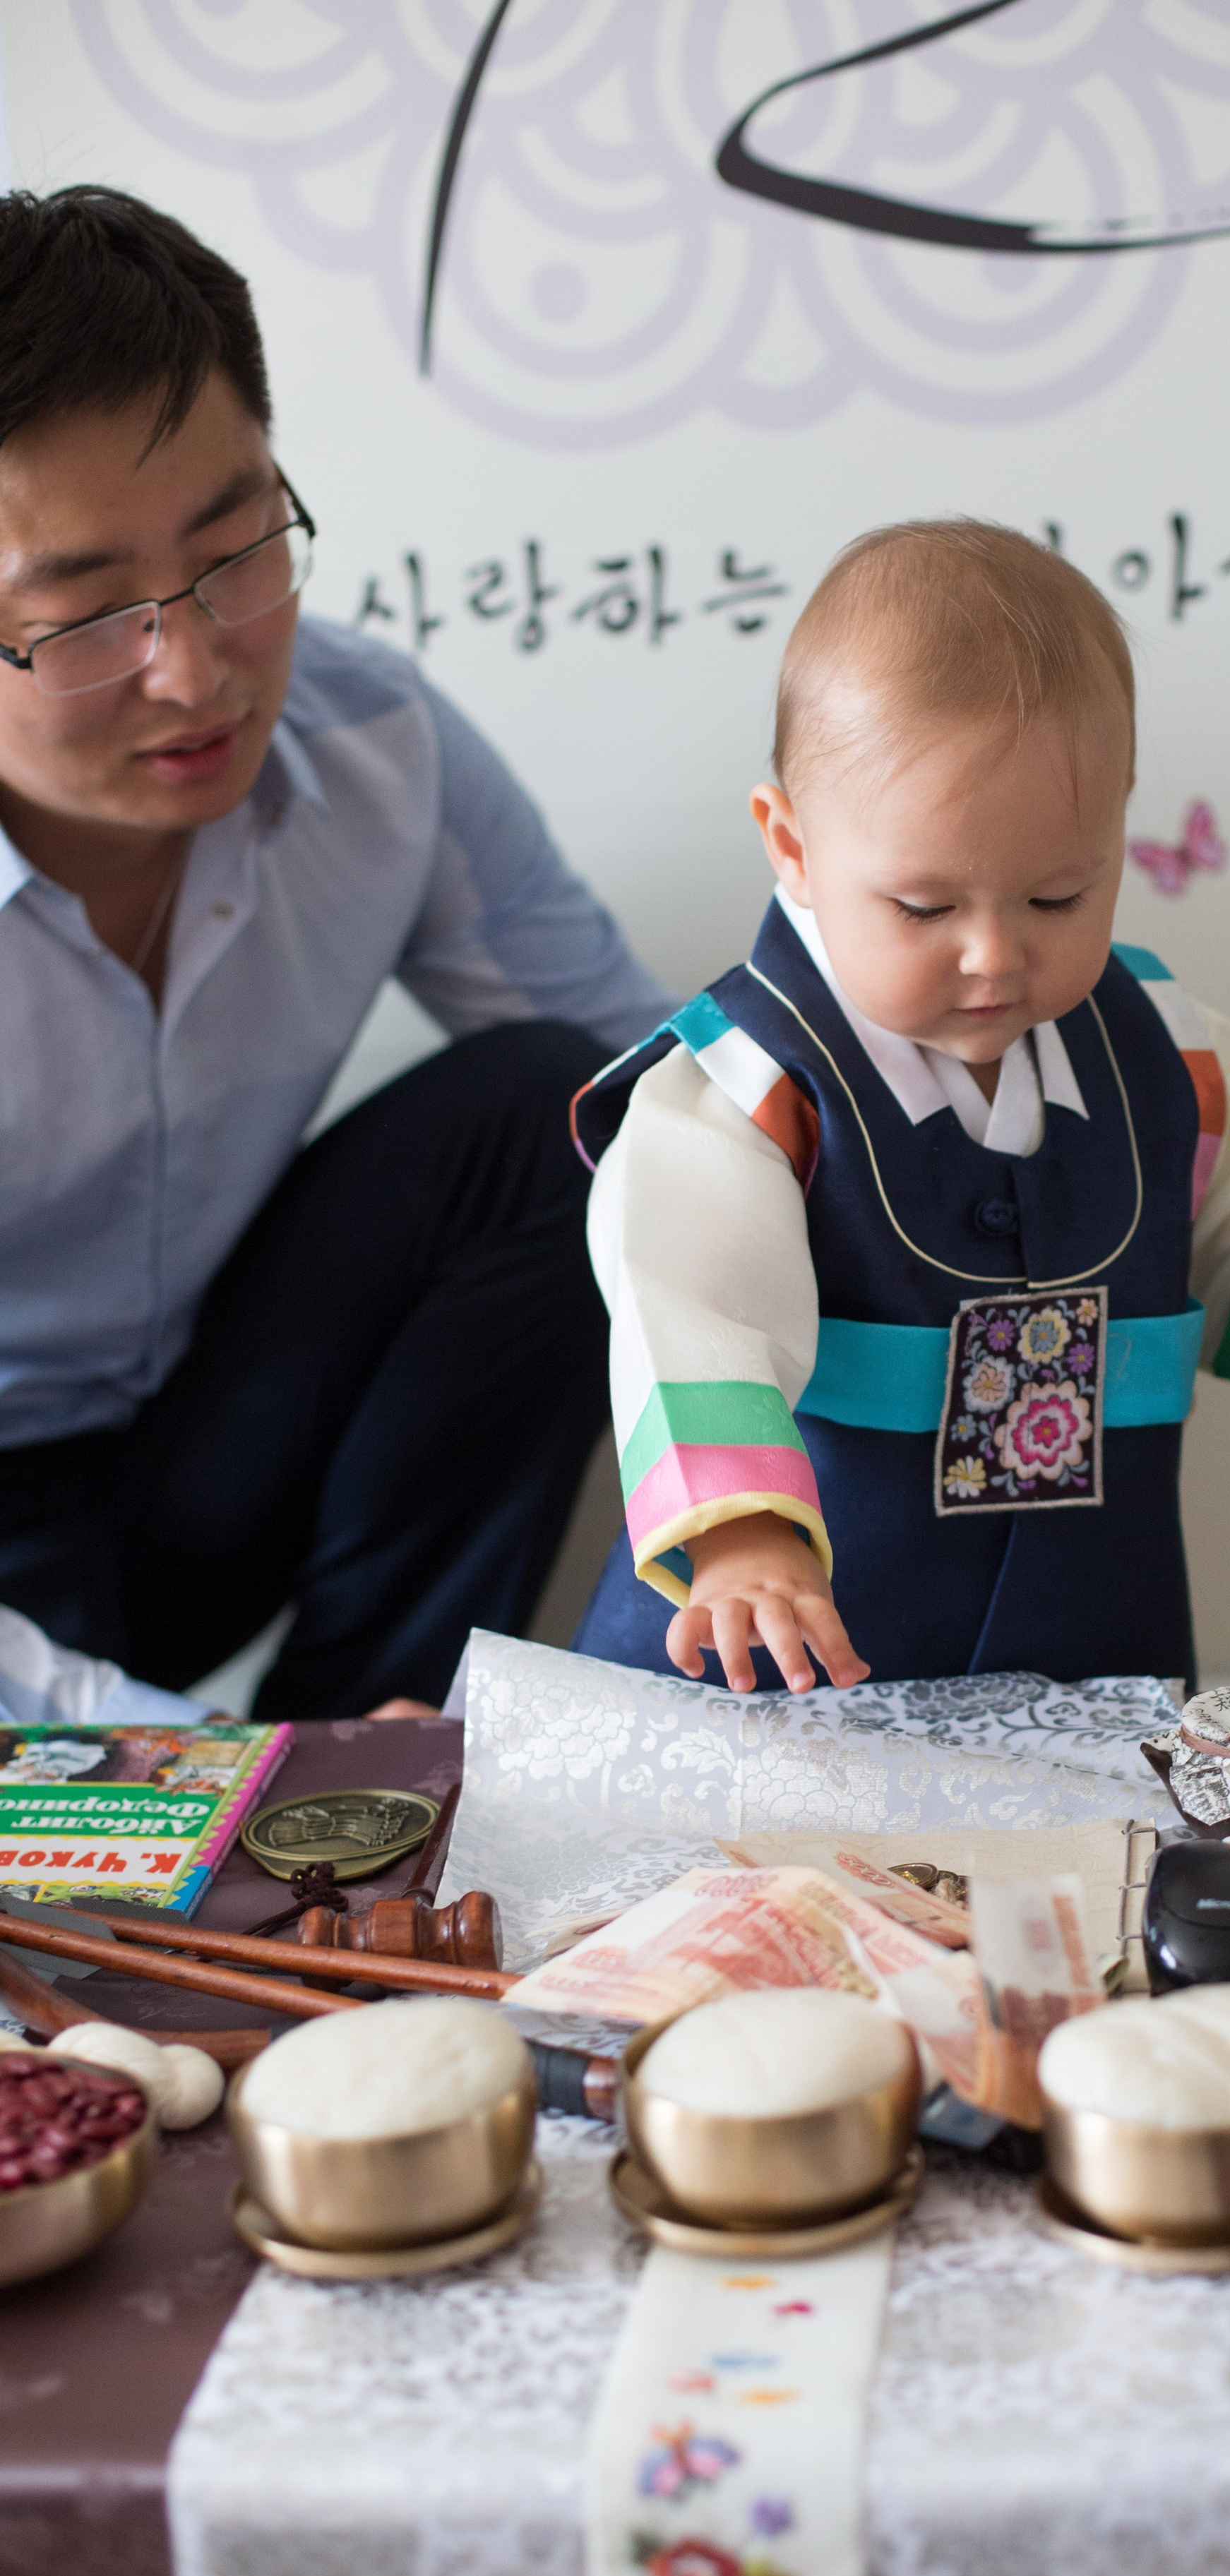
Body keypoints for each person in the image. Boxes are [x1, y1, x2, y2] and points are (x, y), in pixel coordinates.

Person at [569, 520, 1230, 1696]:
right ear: (793, 846)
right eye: (924, 908)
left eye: (1055, 894)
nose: (995, 956)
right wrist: (740, 1537)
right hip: (801, 1636)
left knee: (1102, 1864)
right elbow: (689, 1308)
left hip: (1085, 1627)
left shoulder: (1151, 1047)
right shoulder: (747, 1090)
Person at [0, 186, 672, 1718]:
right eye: (92, 616)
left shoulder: (372, 744)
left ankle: (364, 1787)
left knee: (567, 1117)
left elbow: (687, 1096)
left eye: (238, 552)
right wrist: (151, 1747)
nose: (197, 667)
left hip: (196, 1470)